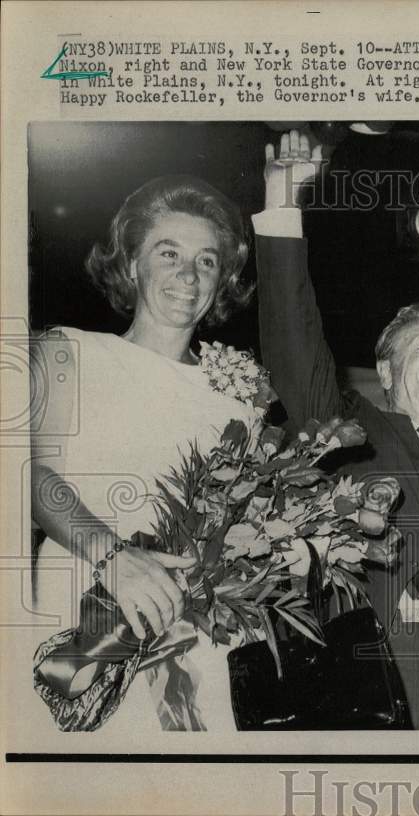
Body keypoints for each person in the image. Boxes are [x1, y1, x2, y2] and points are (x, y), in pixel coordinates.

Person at [254, 131, 419, 729]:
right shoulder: (350, 434)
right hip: (370, 709)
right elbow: (294, 349)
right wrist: (283, 202)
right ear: (388, 373)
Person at [30, 175, 259, 731]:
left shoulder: (241, 398)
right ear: (132, 264)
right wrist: (113, 556)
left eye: (207, 261)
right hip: (85, 611)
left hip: (196, 636)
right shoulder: (68, 351)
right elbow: (26, 475)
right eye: (168, 252)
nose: (188, 274)